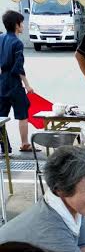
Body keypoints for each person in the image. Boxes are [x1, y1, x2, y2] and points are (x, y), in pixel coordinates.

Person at [0, 10, 34, 152]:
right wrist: (27, 85)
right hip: (14, 82)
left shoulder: (1, 39)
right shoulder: (17, 43)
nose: (23, 25)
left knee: (1, 116)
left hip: (1, 82)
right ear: (16, 25)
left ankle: (4, 147)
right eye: (22, 22)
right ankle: (25, 143)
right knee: (22, 113)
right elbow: (18, 67)